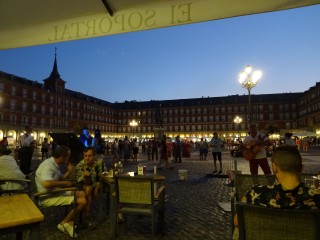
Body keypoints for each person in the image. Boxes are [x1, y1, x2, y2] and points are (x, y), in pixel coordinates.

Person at [233, 145, 320, 239]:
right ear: (301, 168)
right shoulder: (316, 196)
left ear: (274, 167)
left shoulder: (256, 193)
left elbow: (237, 221)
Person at [35, 145, 87, 238]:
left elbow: (60, 178)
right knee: (83, 201)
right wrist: (66, 183)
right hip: (47, 196)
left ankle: (69, 222)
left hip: (55, 192)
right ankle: (65, 222)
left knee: (82, 193)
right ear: (62, 156)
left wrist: (69, 172)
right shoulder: (48, 166)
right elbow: (47, 184)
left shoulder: (53, 163)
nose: (68, 158)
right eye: (67, 156)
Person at [76, 147, 105, 229]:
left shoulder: (100, 162)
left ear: (94, 156)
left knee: (115, 188)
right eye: (85, 156)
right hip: (83, 185)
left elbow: (104, 175)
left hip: (97, 184)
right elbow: (82, 182)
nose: (87, 158)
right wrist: (87, 177)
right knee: (88, 189)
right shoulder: (80, 165)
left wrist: (97, 187)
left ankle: (117, 213)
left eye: (90, 156)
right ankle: (88, 216)